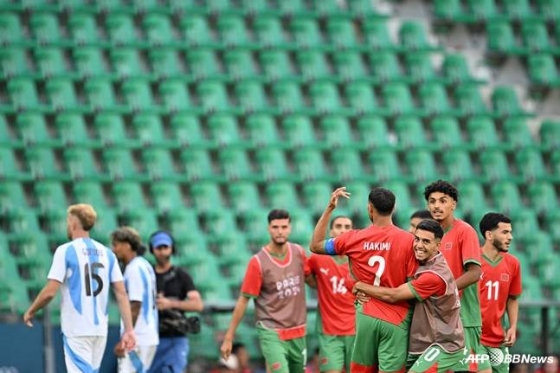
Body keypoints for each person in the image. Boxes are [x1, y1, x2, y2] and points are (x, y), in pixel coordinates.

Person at [310, 187, 417, 373]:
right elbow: (414, 282)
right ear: (394, 208)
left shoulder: (354, 238)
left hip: (365, 315)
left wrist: (329, 208)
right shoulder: (409, 241)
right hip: (397, 317)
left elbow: (315, 245)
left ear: (370, 208)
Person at [23, 204, 136, 372]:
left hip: (77, 328)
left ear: (73, 224)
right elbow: (121, 293)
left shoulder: (65, 251)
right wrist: (129, 330)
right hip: (99, 330)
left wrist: (31, 310)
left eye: (68, 221)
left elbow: (50, 292)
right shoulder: (107, 253)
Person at [352, 219, 467, 373]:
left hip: (442, 344)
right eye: (417, 239)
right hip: (423, 342)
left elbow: (394, 295)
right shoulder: (427, 262)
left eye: (426, 241)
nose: (419, 245)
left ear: (438, 245)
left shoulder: (433, 276)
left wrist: (361, 286)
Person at [220, 209, 309, 373]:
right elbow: (243, 300)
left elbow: (313, 281)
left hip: (298, 330)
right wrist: (229, 337)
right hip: (271, 331)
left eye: (284, 226)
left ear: (290, 228)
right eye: (275, 227)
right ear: (269, 228)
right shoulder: (258, 262)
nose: (280, 231)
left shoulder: (299, 253)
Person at [423, 180, 482, 373]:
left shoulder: (464, 231)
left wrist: (445, 291)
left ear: (453, 204)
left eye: (443, 200)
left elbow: (474, 273)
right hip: (437, 319)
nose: (437, 206)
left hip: (464, 318)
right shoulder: (428, 238)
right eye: (432, 201)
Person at [147, 230, 204, 373]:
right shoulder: (147, 274)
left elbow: (197, 304)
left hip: (175, 337)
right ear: (152, 250)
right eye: (158, 248)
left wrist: (170, 304)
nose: (162, 252)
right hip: (151, 337)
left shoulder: (181, 275)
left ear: (172, 249)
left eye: (165, 247)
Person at [308, 215, 355, 373]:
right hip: (329, 332)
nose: (343, 230)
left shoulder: (359, 259)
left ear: (352, 231)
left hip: (356, 330)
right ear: (331, 231)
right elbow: (306, 275)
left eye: (347, 227)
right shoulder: (318, 258)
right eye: (339, 226)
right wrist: (320, 284)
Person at [111, 227, 159, 373]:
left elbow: (135, 305)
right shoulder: (145, 265)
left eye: (116, 244)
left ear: (127, 245)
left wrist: (127, 336)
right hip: (147, 335)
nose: (114, 249)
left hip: (138, 338)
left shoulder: (134, 269)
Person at [477, 213, 521, 373]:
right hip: (474, 338)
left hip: (498, 339)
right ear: (489, 235)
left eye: (510, 232)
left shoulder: (513, 263)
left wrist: (513, 326)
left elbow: (513, 298)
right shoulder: (472, 260)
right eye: (505, 232)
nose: (510, 237)